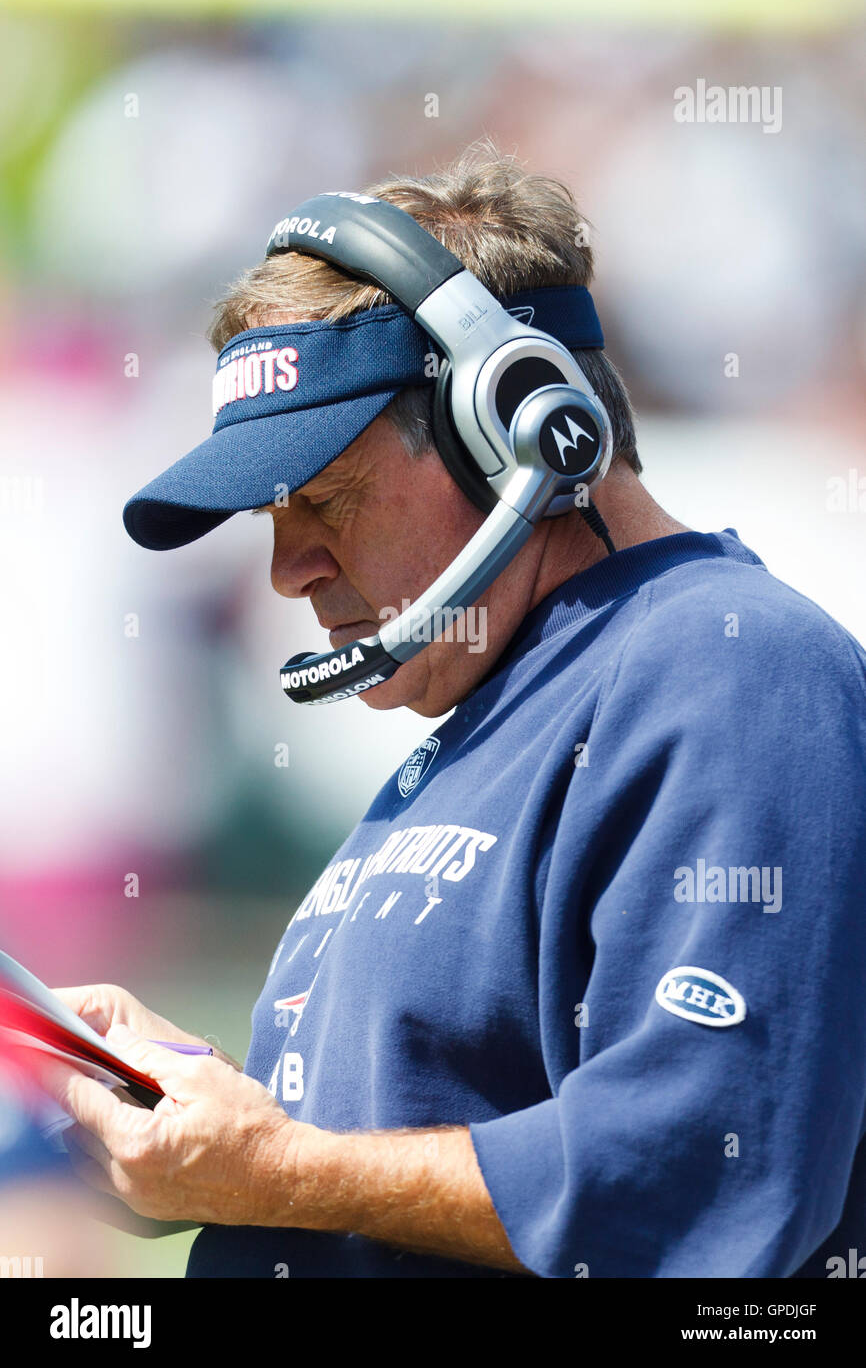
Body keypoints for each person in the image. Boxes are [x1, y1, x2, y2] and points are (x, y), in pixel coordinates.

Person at [47, 143, 866, 1278]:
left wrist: (277, 1168)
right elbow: (400, 1147)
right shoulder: (478, 721)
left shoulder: (732, 669)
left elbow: (702, 1176)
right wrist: (189, 1129)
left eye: (322, 497)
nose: (286, 568)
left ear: (519, 423)